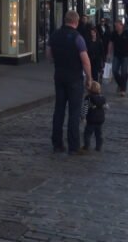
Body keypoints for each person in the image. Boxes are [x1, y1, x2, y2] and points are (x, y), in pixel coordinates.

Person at [47, 10, 91, 155]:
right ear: (76, 22)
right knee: (74, 112)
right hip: (74, 77)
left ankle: (57, 143)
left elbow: (49, 55)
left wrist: (58, 61)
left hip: (59, 75)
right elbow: (85, 60)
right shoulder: (77, 38)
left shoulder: (54, 35)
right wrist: (89, 78)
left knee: (59, 110)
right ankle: (74, 145)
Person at [106, 19, 128, 97]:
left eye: (117, 26)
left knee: (123, 73)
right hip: (116, 55)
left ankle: (123, 90)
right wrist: (109, 54)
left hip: (125, 56)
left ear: (121, 25)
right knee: (114, 70)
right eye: (115, 26)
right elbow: (110, 43)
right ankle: (121, 85)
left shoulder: (127, 33)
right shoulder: (114, 33)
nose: (115, 27)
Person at [82, 79, 107, 151]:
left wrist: (83, 117)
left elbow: (85, 108)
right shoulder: (102, 98)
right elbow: (107, 107)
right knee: (99, 135)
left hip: (91, 120)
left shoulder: (88, 98)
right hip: (100, 120)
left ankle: (86, 146)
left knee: (87, 134)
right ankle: (98, 147)